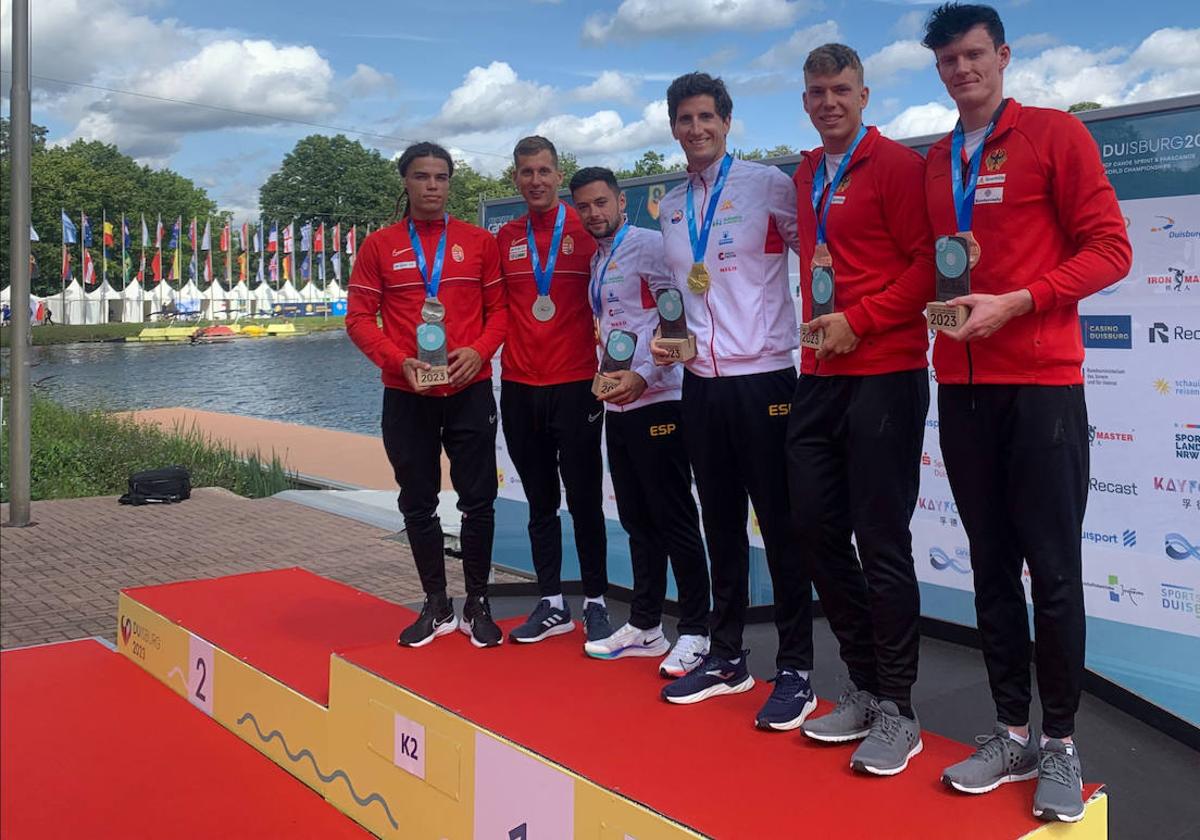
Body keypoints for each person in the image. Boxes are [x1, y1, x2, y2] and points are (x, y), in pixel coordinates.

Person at [920, 3, 1131, 822]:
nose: (961, 70)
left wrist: (1020, 301)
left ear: (1002, 56)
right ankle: (1010, 731)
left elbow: (1111, 247)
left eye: (973, 55)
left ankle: (1062, 745)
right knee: (988, 566)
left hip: (1042, 384)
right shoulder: (937, 159)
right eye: (947, 60)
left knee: (1053, 569)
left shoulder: (1055, 135)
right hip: (962, 385)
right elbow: (932, 272)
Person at [785, 44, 934, 774]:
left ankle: (899, 707)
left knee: (881, 539)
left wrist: (864, 319)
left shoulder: (901, 168)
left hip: (885, 370)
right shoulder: (807, 171)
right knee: (813, 524)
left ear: (865, 95)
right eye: (816, 92)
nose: (828, 102)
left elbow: (927, 263)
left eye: (840, 89)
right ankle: (866, 684)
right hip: (819, 368)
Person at [650, 73, 812, 730]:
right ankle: (726, 656)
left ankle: (797, 667)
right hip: (701, 386)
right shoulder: (667, 208)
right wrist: (670, 341)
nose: (697, 129)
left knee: (780, 527)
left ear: (727, 121)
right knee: (719, 523)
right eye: (685, 119)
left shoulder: (770, 186)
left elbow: (823, 256)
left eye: (707, 117)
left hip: (767, 378)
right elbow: (682, 298)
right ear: (673, 127)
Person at [346, 141, 508, 649]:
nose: (432, 185)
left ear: (450, 182)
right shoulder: (379, 245)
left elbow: (500, 313)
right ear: (407, 182)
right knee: (417, 503)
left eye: (441, 176)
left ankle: (477, 602)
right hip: (406, 391)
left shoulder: (479, 242)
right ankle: (436, 604)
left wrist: (480, 352)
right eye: (422, 176)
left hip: (469, 389)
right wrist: (400, 361)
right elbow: (357, 319)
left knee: (478, 501)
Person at [570, 166, 713, 677]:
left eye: (601, 203)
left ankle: (696, 630)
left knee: (674, 517)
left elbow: (678, 318)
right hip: (618, 402)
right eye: (584, 206)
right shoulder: (598, 257)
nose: (594, 213)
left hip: (660, 400)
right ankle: (647, 625)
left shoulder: (651, 246)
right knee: (635, 517)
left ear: (621, 202)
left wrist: (647, 374)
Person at [495, 136, 612, 647]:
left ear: (558, 174)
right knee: (540, 502)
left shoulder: (586, 235)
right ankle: (550, 603)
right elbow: (491, 308)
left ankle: (597, 602)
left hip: (576, 387)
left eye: (544, 171)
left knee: (585, 501)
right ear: (516, 178)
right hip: (520, 387)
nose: (536, 181)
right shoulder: (505, 238)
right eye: (526, 172)